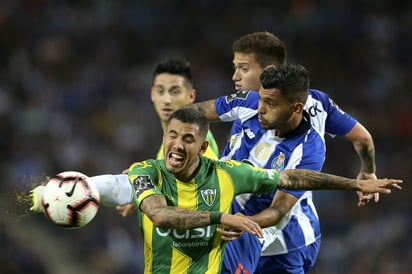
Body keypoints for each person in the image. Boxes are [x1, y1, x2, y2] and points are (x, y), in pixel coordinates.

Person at [30, 107, 401, 274]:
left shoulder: (229, 175)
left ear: (203, 146)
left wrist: (353, 181)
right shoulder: (149, 173)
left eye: (187, 138)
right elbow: (149, 206)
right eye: (171, 136)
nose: (176, 144)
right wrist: (75, 188)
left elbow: (293, 179)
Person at [191, 32, 378, 273]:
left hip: (282, 237)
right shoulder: (248, 104)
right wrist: (368, 171)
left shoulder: (308, 137)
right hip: (243, 229)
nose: (235, 76)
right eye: (235, 67)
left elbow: (362, 138)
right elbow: (363, 139)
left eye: (244, 68)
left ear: (267, 70)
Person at [116, 57, 219, 217]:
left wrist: (144, 177)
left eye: (175, 91)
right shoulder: (170, 144)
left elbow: (201, 196)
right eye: (160, 91)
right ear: (152, 94)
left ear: (191, 96)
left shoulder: (199, 143)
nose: (167, 100)